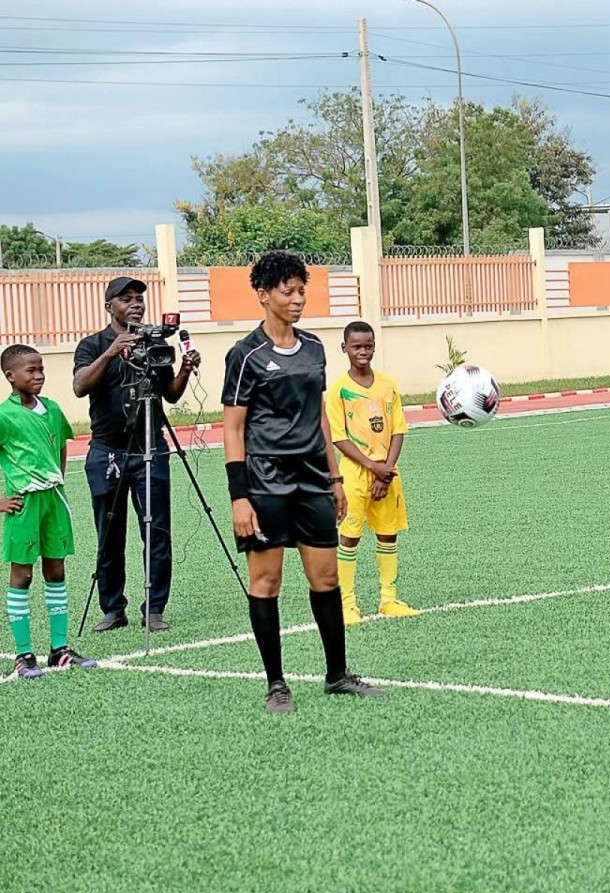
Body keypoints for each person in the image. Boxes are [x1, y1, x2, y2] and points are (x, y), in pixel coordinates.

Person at [222, 252, 383, 714]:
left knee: (325, 577)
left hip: (313, 479)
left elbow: (319, 418)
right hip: (265, 481)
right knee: (267, 581)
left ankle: (337, 675)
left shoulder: (313, 347)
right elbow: (232, 429)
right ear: (263, 296)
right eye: (287, 291)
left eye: (300, 290)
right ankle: (276, 684)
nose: (297, 299)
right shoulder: (245, 354)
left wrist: (334, 477)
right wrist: (239, 497)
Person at [73, 276, 201, 633]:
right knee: (109, 532)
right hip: (107, 453)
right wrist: (112, 351)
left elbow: (171, 395)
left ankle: (154, 608)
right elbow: (80, 385)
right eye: (126, 299)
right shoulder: (92, 344)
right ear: (109, 306)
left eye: (139, 299)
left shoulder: (154, 342)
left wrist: (187, 369)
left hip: (151, 448)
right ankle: (113, 609)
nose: (136, 305)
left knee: (157, 530)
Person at [0, 345, 94, 679]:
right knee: (22, 575)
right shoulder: (4, 415)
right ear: (10, 376)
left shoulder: (52, 409)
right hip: (24, 505)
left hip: (54, 501)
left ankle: (60, 650)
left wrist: (58, 479)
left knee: (56, 570)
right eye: (31, 370)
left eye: (41, 369)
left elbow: (62, 446)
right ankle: (24, 655)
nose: (39, 375)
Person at [326, 321, 417, 625]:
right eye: (356, 347)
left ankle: (388, 598)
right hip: (354, 473)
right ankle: (347, 604)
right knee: (349, 537)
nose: (363, 352)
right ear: (345, 348)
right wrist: (373, 467)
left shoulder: (388, 385)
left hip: (388, 473)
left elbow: (398, 429)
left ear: (374, 346)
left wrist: (385, 470)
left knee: (387, 534)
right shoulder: (338, 389)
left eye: (368, 346)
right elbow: (338, 437)